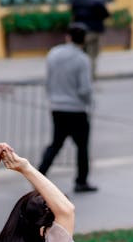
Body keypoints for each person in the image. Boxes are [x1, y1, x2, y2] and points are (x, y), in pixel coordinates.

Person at [38, 22, 97, 193]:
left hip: (57, 106)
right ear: (84, 40)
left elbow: (48, 79)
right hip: (76, 109)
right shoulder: (82, 59)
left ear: (68, 37)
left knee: (56, 144)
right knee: (82, 147)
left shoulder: (54, 53)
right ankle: (81, 181)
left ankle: (39, 174)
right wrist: (89, 102)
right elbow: (85, 88)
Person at [71, 0, 110, 79]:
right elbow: (106, 14)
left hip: (79, 31)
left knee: (80, 54)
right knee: (92, 55)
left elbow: (73, 12)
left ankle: (79, 76)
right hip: (94, 30)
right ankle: (89, 78)